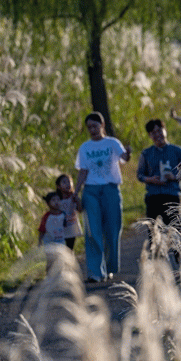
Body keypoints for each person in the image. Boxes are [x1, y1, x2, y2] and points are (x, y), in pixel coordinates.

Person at [74, 112, 132, 283]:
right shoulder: (85, 147)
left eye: (95, 126)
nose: (92, 130)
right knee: (93, 231)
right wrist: (75, 192)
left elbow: (124, 158)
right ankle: (95, 272)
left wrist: (128, 153)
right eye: (89, 127)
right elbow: (83, 171)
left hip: (110, 189)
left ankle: (109, 266)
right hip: (91, 190)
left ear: (102, 125)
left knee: (112, 229)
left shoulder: (112, 143)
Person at [136, 119, 181, 226]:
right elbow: (140, 175)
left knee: (174, 230)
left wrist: (173, 177)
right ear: (150, 135)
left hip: (172, 195)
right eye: (153, 133)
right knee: (153, 231)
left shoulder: (178, 151)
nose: (157, 135)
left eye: (159, 131)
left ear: (165, 130)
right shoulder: (146, 153)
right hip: (153, 196)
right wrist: (150, 179)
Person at [55, 173, 83, 250]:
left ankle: (69, 257)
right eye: (64, 182)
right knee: (60, 249)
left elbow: (80, 209)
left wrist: (77, 200)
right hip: (60, 229)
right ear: (58, 186)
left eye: (69, 182)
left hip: (71, 228)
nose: (68, 184)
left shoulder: (73, 197)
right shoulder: (57, 199)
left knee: (70, 248)